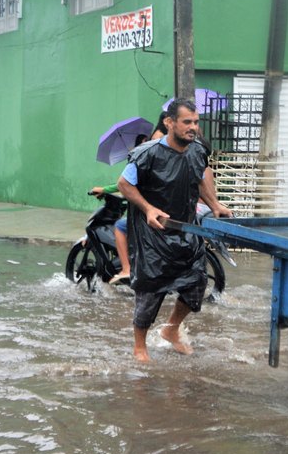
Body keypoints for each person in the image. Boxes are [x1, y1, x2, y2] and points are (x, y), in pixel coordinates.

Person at [117, 99, 232, 362]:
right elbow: (123, 184)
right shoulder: (147, 153)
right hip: (153, 234)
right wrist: (147, 208)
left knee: (196, 284)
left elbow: (199, 178)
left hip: (186, 230)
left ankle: (171, 330)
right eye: (187, 122)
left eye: (196, 122)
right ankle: (140, 347)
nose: (193, 128)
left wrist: (215, 205)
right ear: (170, 123)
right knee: (150, 291)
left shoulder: (197, 151)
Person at [90, 134, 149, 284]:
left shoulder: (141, 160)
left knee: (120, 226)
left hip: (147, 212)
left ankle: (126, 269)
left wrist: (104, 189)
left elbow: (123, 184)